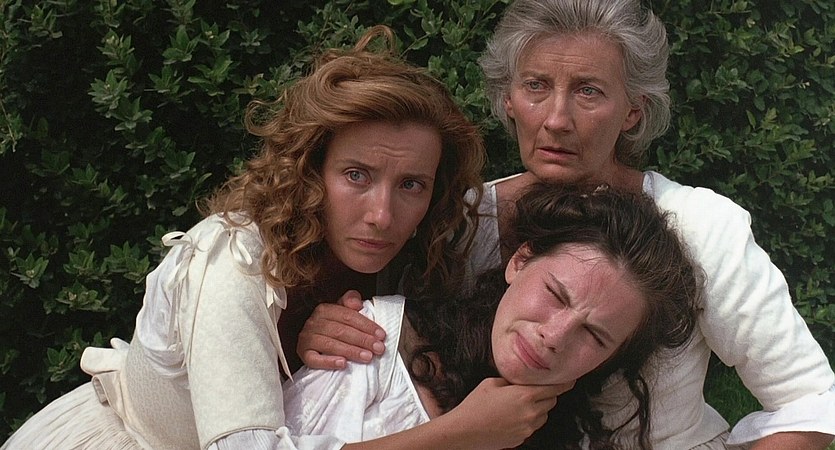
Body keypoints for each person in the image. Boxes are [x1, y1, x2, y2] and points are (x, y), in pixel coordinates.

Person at [297, 1, 835, 449]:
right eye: (536, 86)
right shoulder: (460, 220)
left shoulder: (701, 226)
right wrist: (331, 330)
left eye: (588, 91)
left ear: (633, 110)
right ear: (508, 99)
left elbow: (809, 400)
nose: (556, 119)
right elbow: (393, 347)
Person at [1, 25, 509, 450]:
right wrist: (459, 434)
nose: (382, 215)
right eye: (356, 175)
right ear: (312, 171)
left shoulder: (413, 251)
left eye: (411, 185)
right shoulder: (234, 261)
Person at [282, 183, 700, 450]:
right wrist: (459, 434)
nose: (555, 336)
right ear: (519, 261)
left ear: (610, 359)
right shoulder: (378, 340)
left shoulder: (570, 439)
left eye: (594, 335)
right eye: (555, 294)